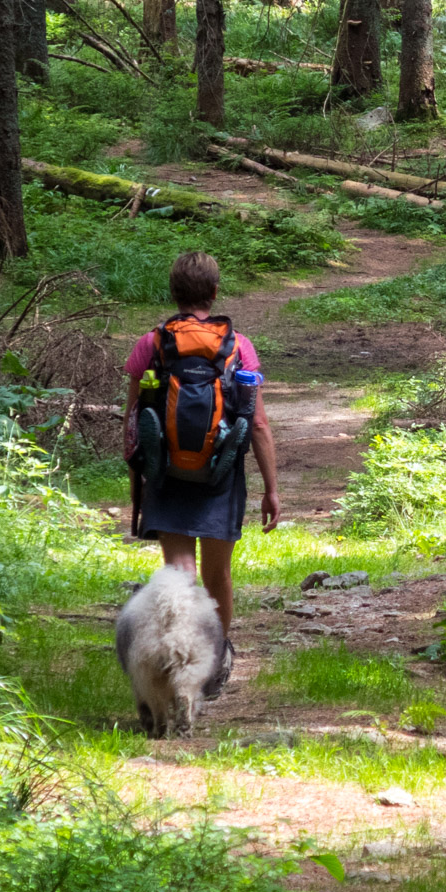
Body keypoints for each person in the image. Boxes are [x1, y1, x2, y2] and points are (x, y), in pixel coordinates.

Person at [124, 251, 281, 668]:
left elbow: (134, 420)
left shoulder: (151, 344)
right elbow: (259, 424)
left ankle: (177, 656)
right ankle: (214, 659)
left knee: (179, 574)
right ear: (214, 292)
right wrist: (271, 489)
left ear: (173, 292)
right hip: (220, 474)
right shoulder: (238, 347)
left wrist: (138, 479)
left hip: (166, 472)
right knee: (218, 577)